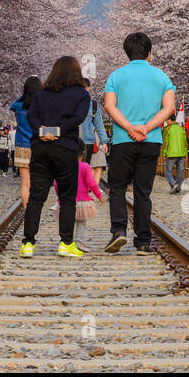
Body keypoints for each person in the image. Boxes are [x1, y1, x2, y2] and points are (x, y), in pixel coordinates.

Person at [101, 32, 176, 255]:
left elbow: (109, 106)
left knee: (117, 188)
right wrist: (146, 128)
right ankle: (143, 242)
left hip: (124, 140)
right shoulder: (162, 77)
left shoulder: (115, 76)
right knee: (143, 192)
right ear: (149, 53)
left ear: (127, 52)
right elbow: (169, 108)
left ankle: (119, 231)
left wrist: (130, 128)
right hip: (151, 140)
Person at [20, 56, 91, 259]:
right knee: (68, 197)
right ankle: (66, 243)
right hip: (66, 148)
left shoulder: (42, 94)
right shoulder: (81, 94)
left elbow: (31, 116)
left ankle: (28, 244)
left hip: (41, 148)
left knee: (36, 197)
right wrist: (59, 131)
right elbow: (78, 118)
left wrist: (43, 130)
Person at [10, 76, 40, 208]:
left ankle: (28, 211)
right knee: (37, 182)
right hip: (38, 146)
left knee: (25, 183)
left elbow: (12, 106)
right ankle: (35, 211)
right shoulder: (41, 105)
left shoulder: (18, 105)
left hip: (22, 146)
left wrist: (23, 96)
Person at [71, 144, 105, 249]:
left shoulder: (65, 166)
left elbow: (56, 183)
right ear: (83, 153)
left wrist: (59, 198)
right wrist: (99, 196)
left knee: (68, 221)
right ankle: (79, 241)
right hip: (82, 201)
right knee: (81, 222)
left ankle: (67, 241)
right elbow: (92, 184)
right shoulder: (85, 166)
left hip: (68, 201)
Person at [80, 77, 110, 186]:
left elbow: (99, 125)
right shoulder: (69, 102)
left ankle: (80, 195)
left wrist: (104, 141)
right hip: (76, 141)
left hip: (86, 142)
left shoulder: (93, 105)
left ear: (88, 88)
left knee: (83, 170)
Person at [161, 115, 188, 194]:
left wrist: (164, 154)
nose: (166, 121)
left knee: (167, 171)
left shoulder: (167, 129)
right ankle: (178, 189)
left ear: (169, 120)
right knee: (180, 172)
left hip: (171, 153)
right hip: (181, 153)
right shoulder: (181, 129)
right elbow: (185, 142)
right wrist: (186, 154)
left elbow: (165, 143)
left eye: (166, 119)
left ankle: (174, 184)